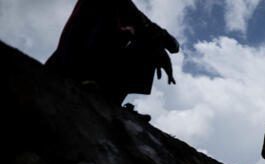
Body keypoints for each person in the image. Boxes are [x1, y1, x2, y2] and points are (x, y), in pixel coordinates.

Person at [46, 0, 179, 104]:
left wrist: (161, 52)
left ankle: (111, 97)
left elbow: (171, 44)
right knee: (139, 35)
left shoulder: (128, 10)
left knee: (150, 42)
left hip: (100, 72)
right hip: (70, 65)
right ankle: (88, 79)